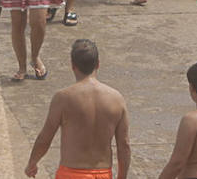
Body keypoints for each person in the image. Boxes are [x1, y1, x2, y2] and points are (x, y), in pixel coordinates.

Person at [25, 39, 131, 179]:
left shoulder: (63, 98)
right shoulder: (116, 99)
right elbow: (124, 145)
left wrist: (32, 162)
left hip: (70, 174)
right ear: (98, 64)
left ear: (73, 66)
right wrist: (122, 177)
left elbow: (45, 137)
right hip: (103, 173)